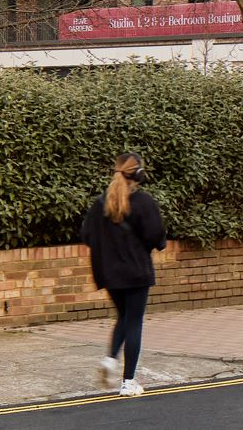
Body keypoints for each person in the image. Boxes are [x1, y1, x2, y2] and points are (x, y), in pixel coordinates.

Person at [78, 151, 166, 397]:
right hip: (136, 271)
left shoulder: (101, 203)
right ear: (139, 174)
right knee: (134, 321)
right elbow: (156, 236)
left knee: (124, 317)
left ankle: (110, 359)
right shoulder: (144, 202)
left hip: (109, 272)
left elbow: (87, 235)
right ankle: (128, 382)